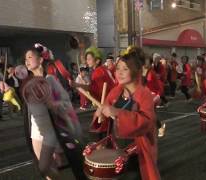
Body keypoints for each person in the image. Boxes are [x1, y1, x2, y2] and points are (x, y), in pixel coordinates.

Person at [94, 46, 160, 180]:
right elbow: (105, 116)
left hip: (136, 148)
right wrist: (100, 114)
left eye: (125, 69)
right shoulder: (115, 91)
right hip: (116, 144)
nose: (119, 73)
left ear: (135, 71)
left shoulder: (144, 94)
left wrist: (117, 112)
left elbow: (147, 122)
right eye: (118, 68)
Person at [20, 44, 85, 180]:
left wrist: (53, 104)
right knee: (45, 169)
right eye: (25, 59)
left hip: (54, 129)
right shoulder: (28, 82)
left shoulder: (50, 79)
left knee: (71, 164)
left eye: (30, 57)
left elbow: (66, 104)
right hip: (36, 131)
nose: (26, 61)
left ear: (40, 60)